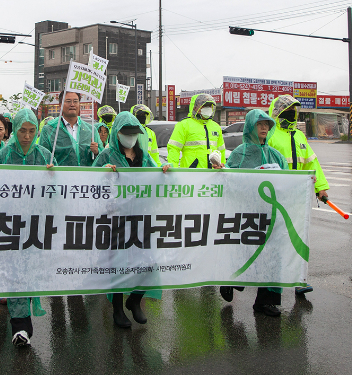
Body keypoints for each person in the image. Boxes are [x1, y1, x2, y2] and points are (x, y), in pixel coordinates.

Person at [92, 112, 169, 328]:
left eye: (134, 133)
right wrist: (101, 174)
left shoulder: (144, 156)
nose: (130, 137)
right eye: (126, 133)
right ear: (117, 133)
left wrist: (165, 171)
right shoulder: (107, 156)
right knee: (117, 265)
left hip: (141, 217)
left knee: (149, 261)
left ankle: (135, 299)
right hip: (116, 219)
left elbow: (157, 177)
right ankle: (117, 308)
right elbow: (88, 182)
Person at [0, 109, 54, 347]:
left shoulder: (45, 155)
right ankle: (20, 328)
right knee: (16, 274)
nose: (27, 136)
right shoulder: (4, 156)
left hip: (38, 225)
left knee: (32, 273)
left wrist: (53, 177)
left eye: (31, 131)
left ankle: (25, 323)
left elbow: (58, 190)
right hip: (11, 224)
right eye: (22, 131)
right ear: (15, 130)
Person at [219, 109, 288, 317]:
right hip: (246, 213)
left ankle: (266, 301)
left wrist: (304, 181)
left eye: (267, 124)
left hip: (270, 213)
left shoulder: (276, 155)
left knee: (272, 256)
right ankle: (230, 280)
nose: (264, 128)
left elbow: (287, 182)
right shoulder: (240, 153)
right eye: (260, 124)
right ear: (251, 126)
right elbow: (229, 182)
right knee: (243, 250)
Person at [268, 94, 330, 296]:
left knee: (298, 239)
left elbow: (312, 163)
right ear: (277, 114)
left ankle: (299, 280)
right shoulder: (271, 135)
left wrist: (320, 187)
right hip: (276, 197)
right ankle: (271, 280)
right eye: (288, 112)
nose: (292, 116)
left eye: (294, 113)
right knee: (275, 240)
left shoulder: (299, 136)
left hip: (298, 198)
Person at [38, 91, 101, 166]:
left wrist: (97, 152)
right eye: (68, 101)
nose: (72, 104)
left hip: (85, 177)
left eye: (75, 101)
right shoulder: (49, 130)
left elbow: (102, 159)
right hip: (59, 176)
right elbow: (42, 157)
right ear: (60, 105)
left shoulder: (91, 130)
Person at [167, 93, 225, 169]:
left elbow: (221, 151)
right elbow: (174, 149)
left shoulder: (216, 127)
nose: (207, 108)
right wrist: (173, 168)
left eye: (209, 106)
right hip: (191, 173)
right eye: (204, 105)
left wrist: (222, 165)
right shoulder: (184, 125)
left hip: (212, 174)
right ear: (194, 107)